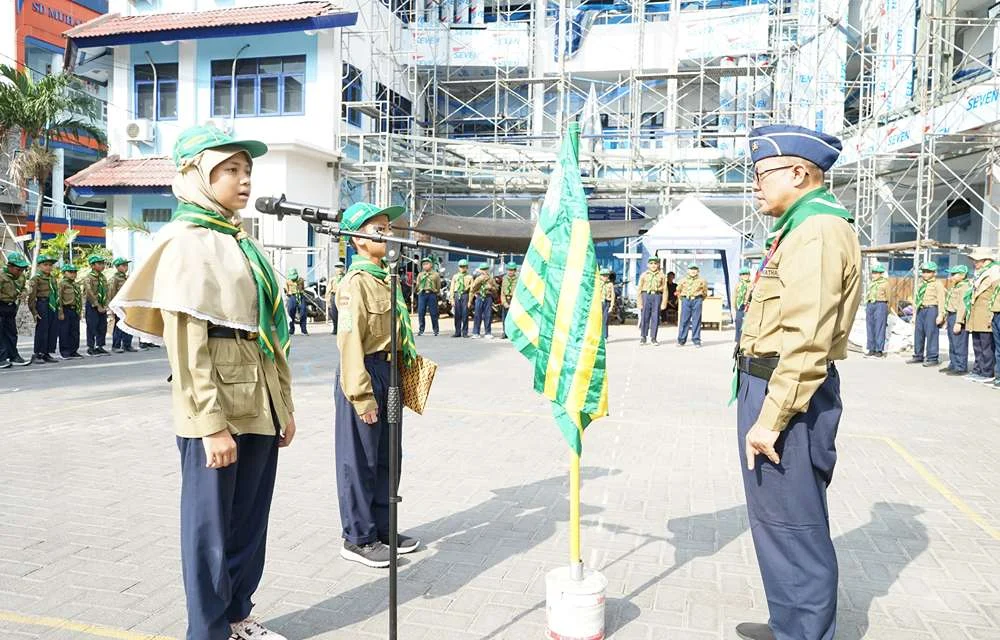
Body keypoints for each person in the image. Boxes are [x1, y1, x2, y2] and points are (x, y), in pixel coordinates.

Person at [108, 125, 296, 640]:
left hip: (258, 400)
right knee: (210, 529)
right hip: (216, 407)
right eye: (230, 169)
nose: (244, 180)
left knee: (249, 521)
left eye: (247, 170)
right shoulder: (186, 242)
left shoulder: (237, 240)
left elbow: (266, 333)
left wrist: (283, 407)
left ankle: (237, 617)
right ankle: (208, 631)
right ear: (196, 175)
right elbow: (187, 345)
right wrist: (210, 425)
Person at [736, 124, 861, 640]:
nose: (755, 186)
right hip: (774, 387)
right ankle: (789, 623)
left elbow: (807, 339)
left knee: (794, 523)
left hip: (787, 395)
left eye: (762, 174)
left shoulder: (817, 231)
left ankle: (805, 633)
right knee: (776, 519)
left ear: (797, 173)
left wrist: (772, 418)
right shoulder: (801, 227)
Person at [334, 201, 421, 568]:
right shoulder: (355, 284)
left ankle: (383, 528)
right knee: (361, 459)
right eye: (378, 228)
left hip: (389, 372)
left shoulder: (386, 277)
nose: (387, 233)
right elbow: (349, 342)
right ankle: (358, 537)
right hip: (365, 373)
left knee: (388, 457)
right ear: (357, 239)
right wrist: (361, 396)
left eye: (388, 227)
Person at [966, 248, 1000, 382]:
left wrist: (992, 314)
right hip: (977, 314)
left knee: (987, 346)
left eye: (977, 260)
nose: (975, 263)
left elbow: (995, 294)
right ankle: (978, 369)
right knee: (977, 344)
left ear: (986, 260)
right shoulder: (980, 273)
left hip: (987, 313)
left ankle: (987, 372)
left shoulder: (994, 271)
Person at [907, 262, 946, 367]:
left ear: (934, 273)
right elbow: (917, 299)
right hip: (921, 309)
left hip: (931, 309)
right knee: (919, 333)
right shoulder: (921, 284)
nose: (925, 274)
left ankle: (932, 357)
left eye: (928, 272)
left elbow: (941, 300)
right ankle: (918, 355)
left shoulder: (937, 284)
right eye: (924, 272)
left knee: (931, 333)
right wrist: (914, 315)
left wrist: (941, 314)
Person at [25, 254, 59, 364]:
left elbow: (56, 293)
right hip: (42, 304)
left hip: (52, 304)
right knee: (42, 329)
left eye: (50, 265)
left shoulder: (52, 278)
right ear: (39, 266)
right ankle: (38, 353)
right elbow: (32, 297)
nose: (48, 267)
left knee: (52, 329)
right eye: (45, 265)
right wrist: (34, 311)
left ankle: (46, 353)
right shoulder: (36, 279)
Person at [0, 252, 30, 368]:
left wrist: (24, 293)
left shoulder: (21, 277)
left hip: (11, 306)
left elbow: (24, 288)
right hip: (1, 305)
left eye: (22, 269)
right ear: (10, 266)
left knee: (12, 332)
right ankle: (1, 359)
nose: (20, 272)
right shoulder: (1, 276)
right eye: (18, 269)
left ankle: (13, 356)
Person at [942, 265, 972, 375]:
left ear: (963, 275)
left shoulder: (965, 287)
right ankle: (953, 363)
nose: (951, 276)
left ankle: (960, 366)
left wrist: (959, 322)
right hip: (951, 315)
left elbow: (963, 306)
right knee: (952, 342)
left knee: (959, 342)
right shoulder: (956, 286)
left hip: (958, 316)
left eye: (954, 274)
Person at [108, 257, 138, 353]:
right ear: (117, 267)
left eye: (126, 265)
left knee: (129, 324)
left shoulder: (127, 278)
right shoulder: (115, 279)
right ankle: (116, 345)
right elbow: (111, 293)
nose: (126, 267)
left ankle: (127, 344)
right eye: (123, 265)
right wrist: (112, 307)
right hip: (119, 305)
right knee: (119, 326)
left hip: (128, 305)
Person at [83, 254, 110, 356]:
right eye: (99, 263)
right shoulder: (89, 278)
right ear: (92, 265)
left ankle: (100, 346)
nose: (102, 265)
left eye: (103, 263)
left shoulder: (103, 277)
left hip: (102, 305)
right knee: (92, 326)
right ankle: (91, 347)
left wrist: (105, 305)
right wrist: (97, 305)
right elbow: (89, 293)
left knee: (102, 326)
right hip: (92, 305)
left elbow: (107, 291)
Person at [676, 263, 709, 347]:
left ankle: (696, 340)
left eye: (695, 269)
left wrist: (700, 299)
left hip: (697, 300)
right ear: (688, 271)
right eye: (691, 269)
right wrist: (683, 299)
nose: (693, 271)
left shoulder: (702, 280)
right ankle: (681, 340)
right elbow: (678, 290)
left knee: (696, 320)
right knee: (684, 320)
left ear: (698, 271)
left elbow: (705, 291)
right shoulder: (683, 280)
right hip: (686, 300)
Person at [637, 257, 667, 345]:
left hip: (657, 296)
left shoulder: (662, 275)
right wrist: (639, 303)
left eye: (655, 263)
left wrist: (664, 303)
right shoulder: (644, 275)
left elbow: (665, 290)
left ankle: (653, 337)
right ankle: (643, 336)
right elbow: (639, 289)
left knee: (655, 317)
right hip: (646, 295)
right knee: (644, 317)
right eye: (651, 263)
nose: (653, 265)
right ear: (648, 265)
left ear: (658, 265)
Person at [57, 263, 84, 359]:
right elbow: (59, 298)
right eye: (70, 272)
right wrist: (60, 312)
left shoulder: (76, 285)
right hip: (66, 309)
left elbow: (79, 298)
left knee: (75, 331)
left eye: (75, 272)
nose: (73, 274)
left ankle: (74, 350)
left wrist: (80, 311)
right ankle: (65, 351)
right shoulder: (62, 284)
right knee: (65, 331)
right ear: (64, 273)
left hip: (74, 309)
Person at [864, 264, 890, 358]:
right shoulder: (871, 283)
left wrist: (887, 308)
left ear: (881, 274)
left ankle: (879, 349)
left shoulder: (885, 283)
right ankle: (871, 348)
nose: (873, 275)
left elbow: (889, 297)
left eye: (876, 273)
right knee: (870, 326)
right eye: (873, 273)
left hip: (880, 304)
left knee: (879, 327)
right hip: (871, 304)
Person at [415, 257, 442, 336]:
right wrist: (417, 292)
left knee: (433, 313)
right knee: (421, 312)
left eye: (427, 264)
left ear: (431, 265)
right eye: (423, 264)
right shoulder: (420, 275)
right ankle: (421, 330)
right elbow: (417, 284)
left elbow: (438, 285)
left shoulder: (436, 275)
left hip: (432, 294)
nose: (425, 266)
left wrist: (436, 292)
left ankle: (436, 330)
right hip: (422, 294)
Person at [470, 263, 496, 339]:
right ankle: (476, 332)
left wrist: (491, 287)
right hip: (479, 296)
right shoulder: (478, 278)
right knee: (477, 315)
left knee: (488, 315)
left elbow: (496, 289)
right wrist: (479, 281)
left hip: (488, 297)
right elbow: (473, 288)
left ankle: (488, 332)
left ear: (488, 270)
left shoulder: (491, 279)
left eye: (485, 269)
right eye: (483, 270)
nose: (484, 271)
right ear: (480, 270)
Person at [451, 259, 473, 338]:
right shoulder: (455, 276)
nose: (462, 268)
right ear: (458, 267)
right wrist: (452, 299)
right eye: (461, 267)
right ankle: (457, 332)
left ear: (467, 267)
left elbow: (471, 290)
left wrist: (470, 301)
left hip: (465, 295)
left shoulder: (470, 277)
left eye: (464, 267)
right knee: (457, 315)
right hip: (457, 295)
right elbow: (452, 288)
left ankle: (465, 332)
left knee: (465, 314)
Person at [285, 268, 308, 335]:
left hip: (300, 296)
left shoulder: (301, 280)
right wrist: (288, 292)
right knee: (291, 311)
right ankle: (291, 329)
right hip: (292, 296)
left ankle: (303, 329)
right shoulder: (288, 281)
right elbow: (286, 290)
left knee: (303, 311)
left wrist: (301, 290)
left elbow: (303, 288)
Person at [500, 262, 518, 339]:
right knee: (505, 318)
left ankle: (513, 334)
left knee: (514, 319)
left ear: (515, 270)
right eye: (509, 270)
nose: (510, 272)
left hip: (514, 300)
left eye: (512, 270)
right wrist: (504, 303)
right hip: (506, 300)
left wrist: (514, 303)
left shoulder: (518, 279)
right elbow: (502, 292)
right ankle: (505, 332)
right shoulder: (504, 278)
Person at [327, 261, 346, 335]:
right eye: (337, 267)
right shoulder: (332, 279)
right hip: (334, 295)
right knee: (334, 313)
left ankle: (343, 329)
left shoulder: (346, 278)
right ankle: (335, 328)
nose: (339, 269)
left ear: (344, 268)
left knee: (343, 313)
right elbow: (328, 290)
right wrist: (328, 301)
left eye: (341, 267)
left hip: (343, 296)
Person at [733, 267, 752, 342]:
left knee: (747, 323)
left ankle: (746, 340)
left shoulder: (751, 284)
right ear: (740, 276)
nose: (745, 276)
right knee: (738, 322)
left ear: (749, 275)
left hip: (748, 306)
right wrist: (735, 306)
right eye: (743, 274)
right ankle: (738, 339)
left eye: (746, 274)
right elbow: (734, 296)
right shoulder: (738, 285)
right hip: (739, 306)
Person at [600, 268, 615, 340]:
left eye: (606, 275)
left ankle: (605, 336)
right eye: (603, 275)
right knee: (598, 320)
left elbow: (613, 295)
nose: (605, 277)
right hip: (599, 302)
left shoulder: (610, 284)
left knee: (605, 320)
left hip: (607, 303)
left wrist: (611, 306)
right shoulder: (598, 283)